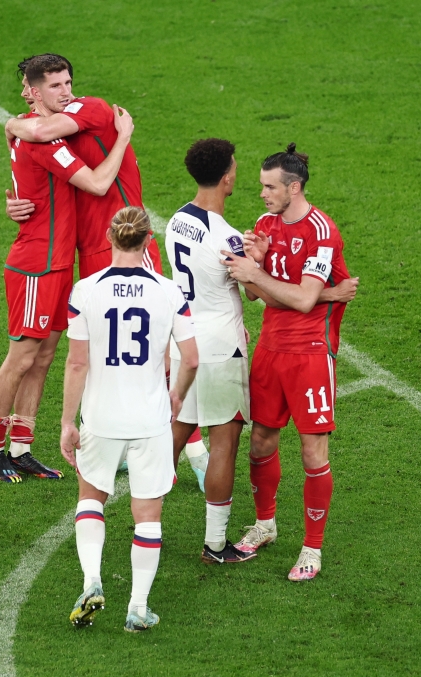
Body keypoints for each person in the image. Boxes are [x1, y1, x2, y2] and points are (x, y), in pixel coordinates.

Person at [0, 54, 135, 483]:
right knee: (22, 356)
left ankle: (23, 447)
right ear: (32, 91)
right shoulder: (41, 139)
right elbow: (99, 184)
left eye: (68, 83)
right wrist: (123, 138)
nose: (66, 93)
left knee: (46, 355)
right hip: (36, 264)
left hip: (58, 263)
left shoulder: (31, 130)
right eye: (54, 86)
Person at [61, 206, 198, 632]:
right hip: (151, 420)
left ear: (109, 236)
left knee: (90, 497)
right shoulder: (169, 292)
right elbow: (191, 358)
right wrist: (177, 395)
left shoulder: (85, 291)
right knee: (147, 513)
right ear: (147, 241)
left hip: (100, 418)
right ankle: (138, 608)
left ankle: (91, 580)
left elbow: (77, 364)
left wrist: (68, 421)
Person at [224, 143, 357, 581]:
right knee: (261, 440)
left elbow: (300, 300)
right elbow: (254, 294)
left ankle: (312, 550)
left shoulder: (321, 231)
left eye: (269, 187)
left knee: (312, 450)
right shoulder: (265, 225)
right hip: (270, 349)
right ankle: (265, 523)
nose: (262, 194)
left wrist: (259, 275)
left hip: (311, 354)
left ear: (294, 187)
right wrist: (257, 270)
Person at [165, 139, 255, 564]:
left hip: (184, 341)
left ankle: (145, 518)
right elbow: (254, 291)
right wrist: (261, 256)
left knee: (177, 433)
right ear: (226, 177)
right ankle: (216, 545)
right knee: (224, 443)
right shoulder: (229, 238)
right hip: (221, 346)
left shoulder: (175, 220)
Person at [4, 55, 162, 278]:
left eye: (67, 83)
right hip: (89, 249)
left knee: (146, 312)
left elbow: (40, 131)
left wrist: (10, 124)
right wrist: (18, 204)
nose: (24, 94)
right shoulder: (46, 130)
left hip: (129, 240)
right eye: (56, 85)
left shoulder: (90, 108)